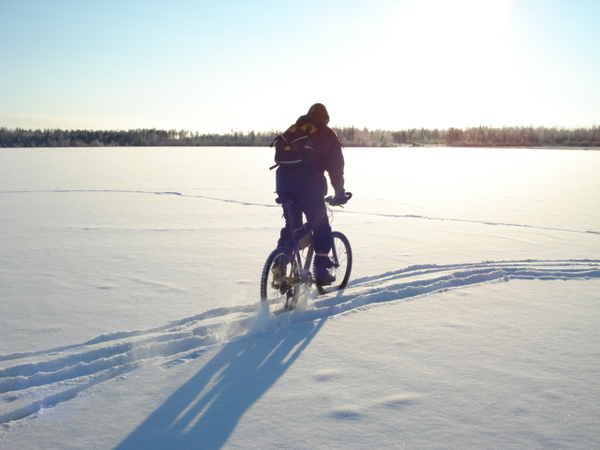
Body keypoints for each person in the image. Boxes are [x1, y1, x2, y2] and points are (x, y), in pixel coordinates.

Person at [275, 103, 347, 285]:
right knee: (321, 226)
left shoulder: (294, 130)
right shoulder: (326, 134)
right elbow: (336, 167)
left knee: (293, 228)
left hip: (284, 185)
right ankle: (321, 270)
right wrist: (339, 191)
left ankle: (280, 266)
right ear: (326, 118)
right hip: (310, 189)